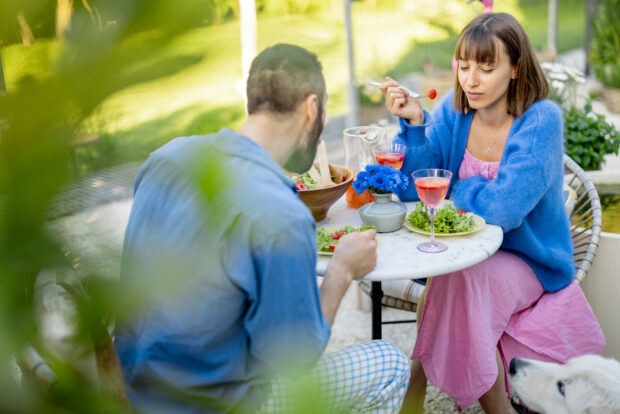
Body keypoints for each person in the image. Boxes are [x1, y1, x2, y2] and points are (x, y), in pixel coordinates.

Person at [114, 43, 410, 414]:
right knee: (389, 363)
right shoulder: (280, 213)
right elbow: (294, 359)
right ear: (311, 107)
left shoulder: (166, 158)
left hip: (136, 393)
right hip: (217, 405)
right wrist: (342, 271)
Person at [378, 13, 605, 414]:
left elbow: (504, 209)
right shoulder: (454, 111)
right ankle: (420, 397)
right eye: (464, 66)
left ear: (516, 68)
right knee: (454, 278)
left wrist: (455, 190)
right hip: (466, 253)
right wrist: (415, 126)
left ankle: (453, 402)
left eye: (486, 67)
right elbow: (418, 188)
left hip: (529, 260)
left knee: (463, 280)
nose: (472, 79)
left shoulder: (541, 121)